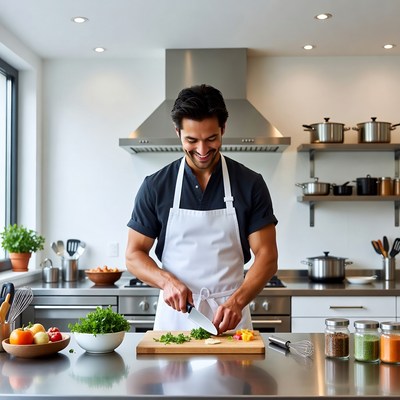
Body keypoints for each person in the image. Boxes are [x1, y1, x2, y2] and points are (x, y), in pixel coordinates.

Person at [125, 84, 278, 334]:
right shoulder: (155, 186)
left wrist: (237, 302)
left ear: (223, 129)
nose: (202, 151)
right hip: (176, 319)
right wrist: (167, 282)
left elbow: (267, 256)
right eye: (191, 140)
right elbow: (133, 254)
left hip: (231, 318)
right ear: (178, 132)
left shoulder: (250, 184)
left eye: (211, 139)